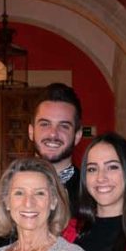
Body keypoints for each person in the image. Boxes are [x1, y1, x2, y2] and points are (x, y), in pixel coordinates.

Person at [27, 83, 83, 241]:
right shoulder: (5, 190)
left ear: (77, 135)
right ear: (31, 131)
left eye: (64, 126)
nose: (53, 134)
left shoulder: (91, 195)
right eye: (45, 124)